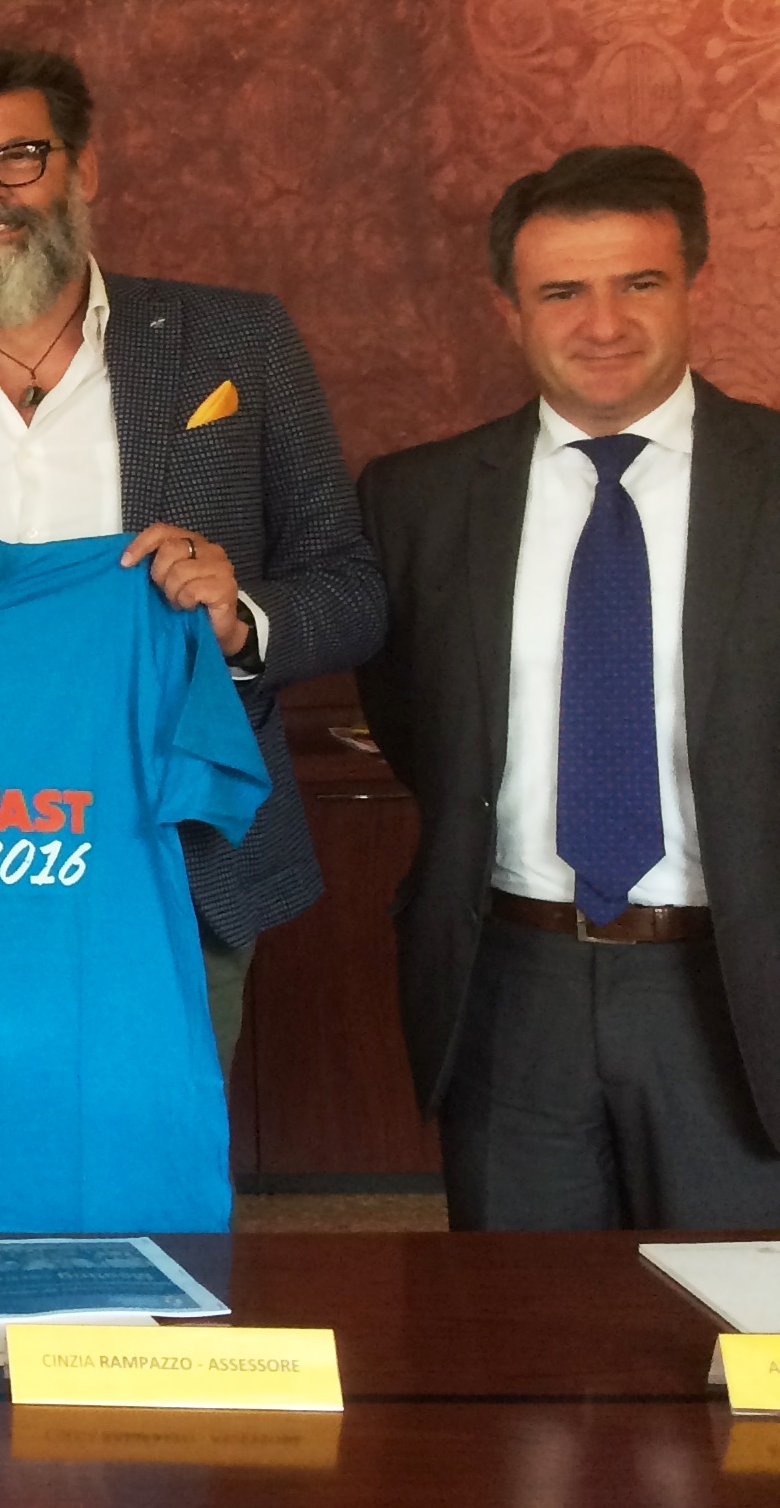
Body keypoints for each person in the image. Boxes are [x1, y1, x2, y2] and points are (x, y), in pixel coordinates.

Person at [0, 46, 385, 1061]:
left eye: (19, 157)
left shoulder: (235, 343)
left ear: (84, 168)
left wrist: (242, 619)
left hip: (173, 866)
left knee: (158, 1154)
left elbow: (353, 587)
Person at [357, 147, 780, 1230]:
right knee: (527, 1317)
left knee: (738, 1316)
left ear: (694, 285)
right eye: (561, 292)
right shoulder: (417, 500)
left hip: (739, 986)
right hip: (510, 981)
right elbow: (416, 725)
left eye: (639, 282)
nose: (603, 323)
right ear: (510, 310)